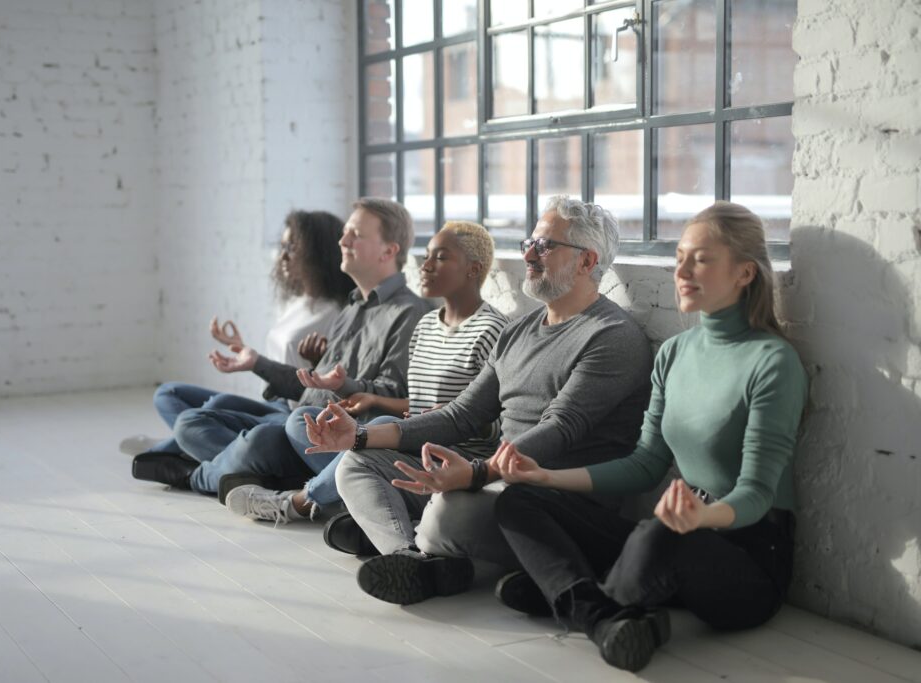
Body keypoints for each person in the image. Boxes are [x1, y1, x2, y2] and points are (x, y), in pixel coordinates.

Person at [490, 201, 808, 673]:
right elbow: (644, 465)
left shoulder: (773, 362)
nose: (682, 270)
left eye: (701, 258)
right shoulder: (675, 352)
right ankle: (602, 615)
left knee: (658, 538)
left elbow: (759, 494)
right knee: (519, 501)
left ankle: (579, 595)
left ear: (744, 273)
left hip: (748, 559)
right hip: (676, 528)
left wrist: (703, 516)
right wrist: (546, 479)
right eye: (679, 256)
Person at [304, 197, 653, 606]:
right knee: (355, 466)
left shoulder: (612, 336)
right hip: (495, 478)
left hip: (550, 501)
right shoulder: (519, 330)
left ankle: (417, 543)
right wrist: (360, 436)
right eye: (530, 242)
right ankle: (412, 558)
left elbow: (559, 429)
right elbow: (462, 414)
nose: (528, 253)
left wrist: (474, 473)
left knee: (448, 512)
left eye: (544, 246)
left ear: (586, 261)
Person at [131, 198, 431, 495]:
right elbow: (311, 388)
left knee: (259, 439)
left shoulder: (408, 314)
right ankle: (258, 472)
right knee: (190, 422)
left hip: (329, 434)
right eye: (345, 232)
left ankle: (197, 476)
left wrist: (344, 386)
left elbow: (394, 397)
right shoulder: (352, 308)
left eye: (356, 234)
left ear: (388, 251)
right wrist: (258, 362)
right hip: (298, 417)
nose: (343, 240)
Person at [226, 221, 509, 524]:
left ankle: (299, 502)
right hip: (414, 439)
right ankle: (348, 498)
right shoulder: (426, 326)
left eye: (440, 257)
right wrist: (373, 400)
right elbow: (416, 403)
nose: (425, 266)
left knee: (374, 432)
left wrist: (452, 419)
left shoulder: (494, 331)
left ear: (474, 269)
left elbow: (498, 420)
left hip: (452, 456)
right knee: (303, 420)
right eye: (426, 255)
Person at [119, 210, 352, 456]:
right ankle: (192, 445)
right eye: (282, 246)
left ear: (317, 253)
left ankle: (172, 448)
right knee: (168, 393)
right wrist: (244, 351)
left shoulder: (337, 314)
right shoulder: (296, 301)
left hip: (296, 415)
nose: (283, 256)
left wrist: (265, 364)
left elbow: (324, 388)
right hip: (275, 403)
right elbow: (280, 365)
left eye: (293, 248)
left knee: (215, 408)